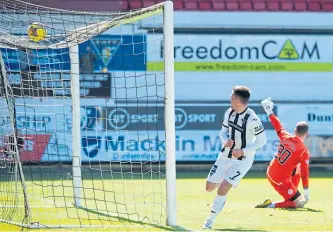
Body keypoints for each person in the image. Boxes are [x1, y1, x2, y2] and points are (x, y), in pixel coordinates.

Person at [202, 86, 267, 229]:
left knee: (223, 188)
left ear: (237, 100)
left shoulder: (253, 119)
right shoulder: (229, 112)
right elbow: (222, 132)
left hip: (243, 160)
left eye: (232, 95)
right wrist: (225, 141)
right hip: (225, 155)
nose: (230, 97)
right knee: (209, 187)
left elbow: (262, 141)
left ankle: (210, 220)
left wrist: (243, 151)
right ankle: (229, 178)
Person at [256, 97, 309, 209]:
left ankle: (291, 194)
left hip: (272, 170)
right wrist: (306, 194)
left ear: (295, 131)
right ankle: (269, 205)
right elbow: (305, 174)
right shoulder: (303, 151)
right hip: (278, 178)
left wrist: (269, 112)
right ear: (307, 134)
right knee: (297, 204)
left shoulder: (285, 136)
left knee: (298, 166)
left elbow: (277, 125)